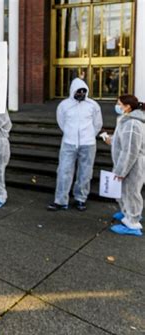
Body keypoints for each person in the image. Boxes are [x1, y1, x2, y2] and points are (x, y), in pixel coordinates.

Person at [47, 78, 103, 212]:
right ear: (73, 91)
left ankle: (81, 199)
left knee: (85, 172)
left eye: (84, 91)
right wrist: (69, 133)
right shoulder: (64, 105)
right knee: (63, 171)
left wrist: (89, 135)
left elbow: (97, 124)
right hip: (69, 143)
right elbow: (61, 122)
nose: (81, 94)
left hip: (88, 144)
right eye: (79, 91)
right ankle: (60, 200)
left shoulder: (93, 105)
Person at [108, 95, 144, 236]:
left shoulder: (132, 123)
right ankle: (127, 213)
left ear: (128, 106)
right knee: (125, 191)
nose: (117, 106)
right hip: (128, 163)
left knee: (131, 192)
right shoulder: (127, 121)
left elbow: (130, 150)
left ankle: (133, 223)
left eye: (119, 103)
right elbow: (125, 142)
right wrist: (112, 140)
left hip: (132, 165)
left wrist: (121, 172)